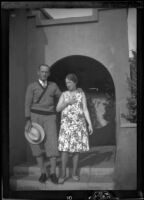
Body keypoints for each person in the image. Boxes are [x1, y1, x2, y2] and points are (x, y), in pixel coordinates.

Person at [25, 64, 61, 184]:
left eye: (46, 72)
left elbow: (62, 97)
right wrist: (27, 120)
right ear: (38, 72)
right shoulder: (32, 86)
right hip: (35, 117)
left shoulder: (53, 86)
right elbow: (27, 104)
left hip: (50, 117)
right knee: (36, 145)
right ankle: (43, 172)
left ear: (49, 73)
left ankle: (53, 173)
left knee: (52, 144)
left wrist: (74, 92)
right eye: (42, 71)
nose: (44, 74)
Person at [56, 73, 93, 184]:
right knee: (65, 150)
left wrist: (89, 124)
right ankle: (62, 175)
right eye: (66, 83)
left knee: (76, 151)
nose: (67, 85)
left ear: (75, 82)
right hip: (66, 126)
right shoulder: (64, 94)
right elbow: (58, 109)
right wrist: (67, 102)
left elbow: (85, 109)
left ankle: (74, 173)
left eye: (69, 82)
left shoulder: (81, 94)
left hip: (78, 125)